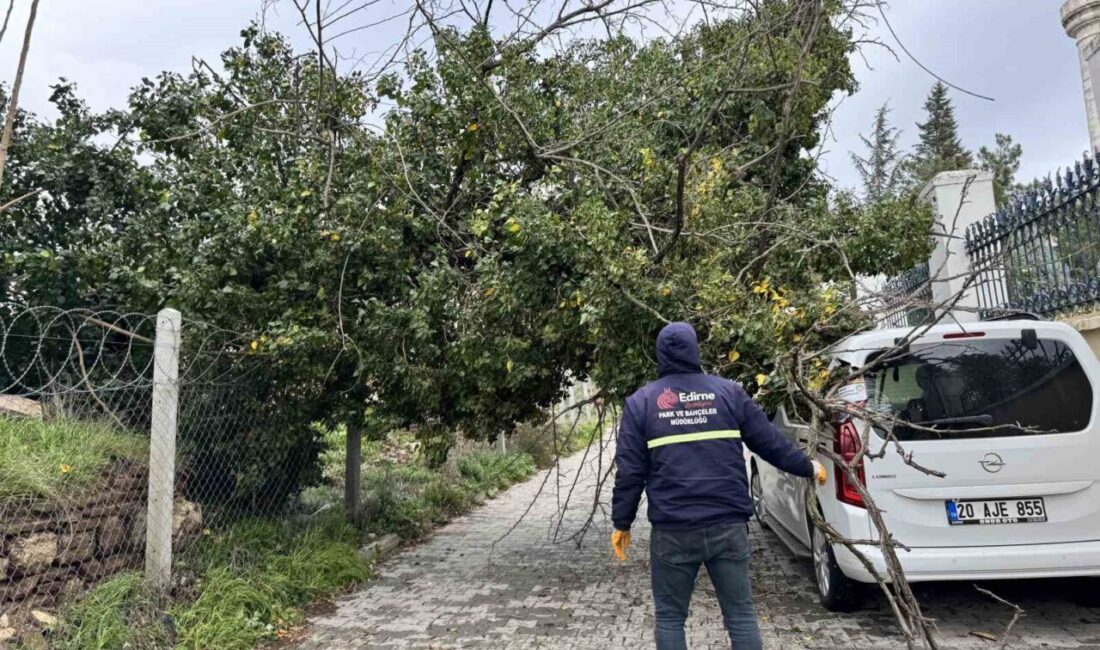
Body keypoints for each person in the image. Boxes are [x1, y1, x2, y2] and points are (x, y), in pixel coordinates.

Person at [610, 322, 826, 650]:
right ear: (695, 350)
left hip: (674, 530)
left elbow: (629, 472)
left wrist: (621, 522)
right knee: (740, 615)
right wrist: (808, 466)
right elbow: (770, 443)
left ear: (660, 355)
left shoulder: (641, 403)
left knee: (669, 617)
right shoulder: (728, 393)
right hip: (728, 525)